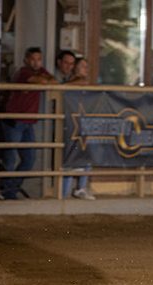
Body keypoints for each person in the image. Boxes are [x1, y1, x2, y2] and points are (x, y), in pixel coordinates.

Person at [2, 47, 56, 200]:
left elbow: (52, 81)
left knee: (29, 160)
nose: (36, 62)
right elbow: (40, 81)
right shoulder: (23, 72)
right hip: (14, 120)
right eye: (33, 59)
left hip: (27, 121)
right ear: (26, 60)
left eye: (39, 59)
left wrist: (45, 79)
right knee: (10, 159)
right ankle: (8, 192)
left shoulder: (39, 72)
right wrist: (44, 79)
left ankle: (10, 190)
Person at [63, 57, 95, 200]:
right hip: (71, 122)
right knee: (70, 156)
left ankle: (81, 187)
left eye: (87, 67)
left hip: (82, 122)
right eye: (82, 66)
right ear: (75, 67)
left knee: (85, 154)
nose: (85, 69)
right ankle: (64, 192)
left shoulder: (83, 84)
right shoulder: (71, 82)